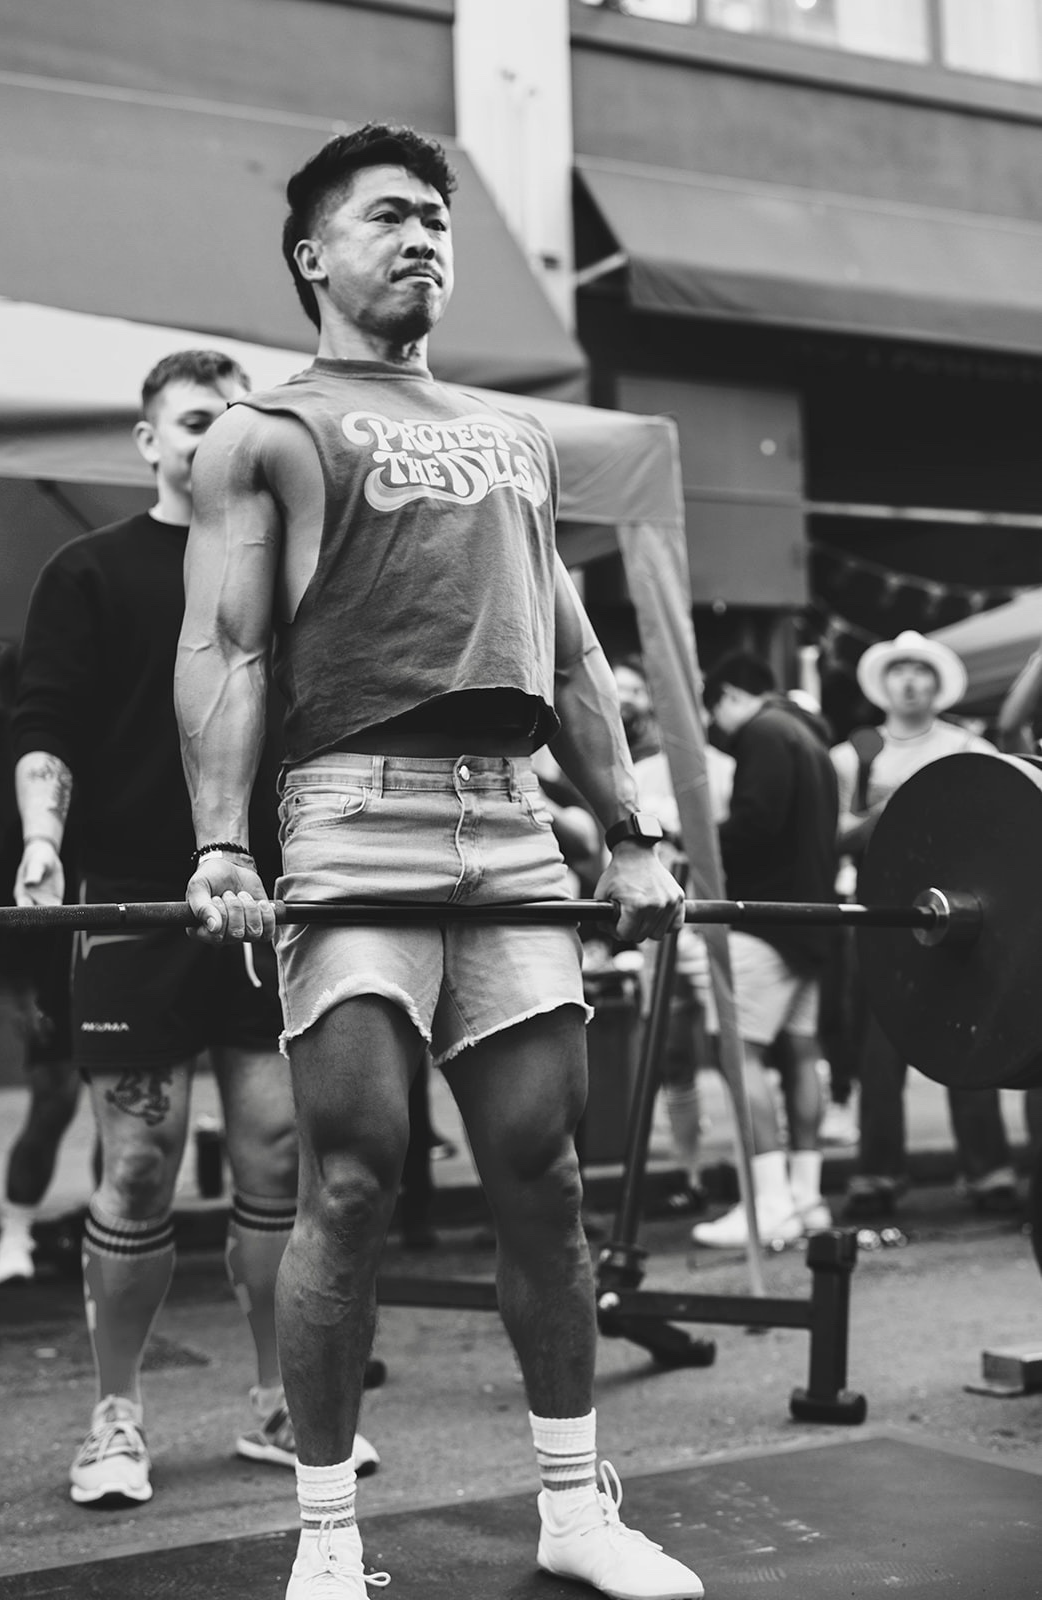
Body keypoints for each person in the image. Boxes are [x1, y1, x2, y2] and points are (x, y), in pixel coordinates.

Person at [175, 123, 702, 1600]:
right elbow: (225, 647)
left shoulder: (514, 436)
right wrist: (223, 840)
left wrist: (638, 830)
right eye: (389, 216)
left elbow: (576, 653)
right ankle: (329, 1541)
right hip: (351, 813)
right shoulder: (263, 430)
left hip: (510, 817)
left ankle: (569, 1508)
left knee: (541, 1173)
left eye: (437, 222)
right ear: (312, 254)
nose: (422, 240)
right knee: (354, 1173)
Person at [11, 349, 376, 1509]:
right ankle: (115, 1415)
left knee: (277, 1153)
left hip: (267, 898)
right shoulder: (89, 569)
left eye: (232, 422)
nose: (213, 437)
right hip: (130, 893)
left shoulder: (285, 574)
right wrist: (41, 839)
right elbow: (47, 724)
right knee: (136, 1158)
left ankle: (279, 1404)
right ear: (149, 440)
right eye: (193, 420)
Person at [830, 630, 1018, 1217]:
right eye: (900, 670)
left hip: (970, 918)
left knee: (972, 1032)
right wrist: (893, 813)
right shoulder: (852, 755)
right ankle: (878, 1176)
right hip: (884, 916)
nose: (910, 681)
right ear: (884, 684)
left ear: (938, 684)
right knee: (879, 1047)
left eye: (921, 671)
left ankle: (989, 1171)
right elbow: (833, 836)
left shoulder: (972, 747)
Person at [691, 652, 838, 1249]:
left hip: (763, 920)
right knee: (802, 1054)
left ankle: (770, 1202)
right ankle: (805, 1196)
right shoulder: (806, 732)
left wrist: (691, 841)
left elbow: (756, 823)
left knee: (740, 1055)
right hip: (811, 919)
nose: (719, 730)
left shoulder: (763, 731)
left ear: (726, 695)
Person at [613, 654, 734, 1215]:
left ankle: (752, 1176)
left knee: (741, 1050)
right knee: (672, 1054)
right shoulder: (643, 773)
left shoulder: (730, 767)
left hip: (721, 926)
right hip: (669, 927)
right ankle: (690, 1173)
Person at [0, 926, 82, 1284]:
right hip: (54, 978)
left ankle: (112, 1230)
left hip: (120, 963)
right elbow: (14, 923)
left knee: (120, 1108)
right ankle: (13, 1238)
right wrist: (25, 999)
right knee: (52, 1104)